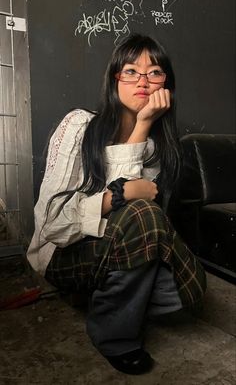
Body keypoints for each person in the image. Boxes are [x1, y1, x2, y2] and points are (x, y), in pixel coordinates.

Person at [27, 33, 206, 375]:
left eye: (154, 72)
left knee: (187, 292)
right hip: (63, 253)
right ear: (114, 78)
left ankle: (102, 295)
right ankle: (113, 336)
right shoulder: (79, 126)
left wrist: (142, 128)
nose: (142, 81)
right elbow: (52, 225)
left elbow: (143, 236)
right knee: (141, 212)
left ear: (165, 85)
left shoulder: (156, 150)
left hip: (116, 254)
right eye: (130, 71)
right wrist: (120, 194)